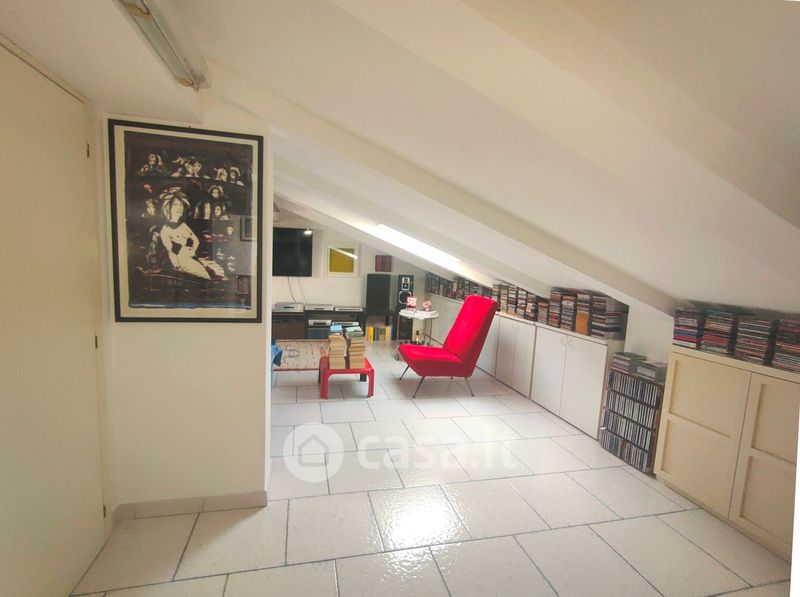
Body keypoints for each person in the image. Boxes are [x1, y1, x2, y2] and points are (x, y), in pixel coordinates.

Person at [158, 188, 224, 279]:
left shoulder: (183, 225)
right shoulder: (165, 230)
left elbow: (196, 241)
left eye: (181, 204)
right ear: (169, 207)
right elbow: (171, 252)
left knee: (218, 271)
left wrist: (192, 251)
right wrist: (177, 266)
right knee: (205, 276)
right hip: (180, 261)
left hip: (191, 256)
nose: (179, 208)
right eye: (175, 205)